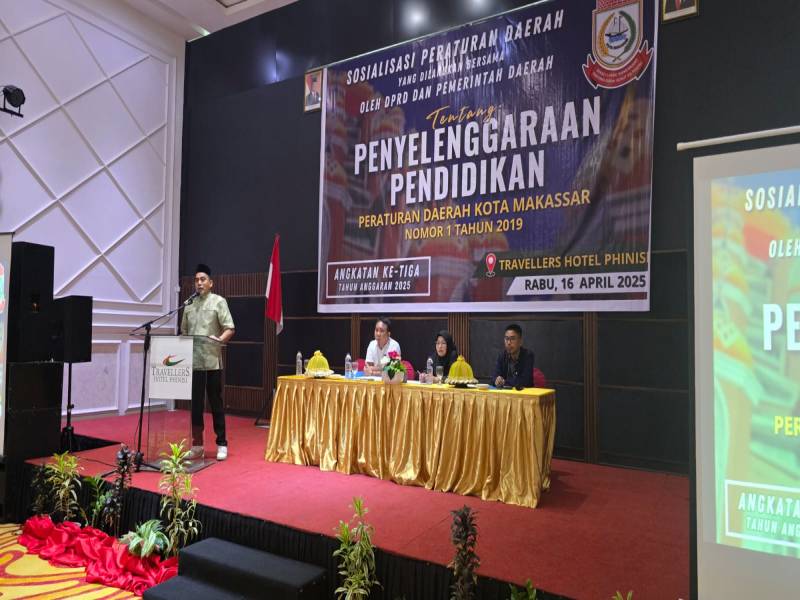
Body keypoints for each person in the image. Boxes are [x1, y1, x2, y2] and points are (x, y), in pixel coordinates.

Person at [180, 264, 235, 461]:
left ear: (211, 283)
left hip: (212, 362)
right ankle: (197, 445)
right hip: (194, 362)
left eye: (203, 279)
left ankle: (221, 443)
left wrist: (219, 340)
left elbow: (229, 328)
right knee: (195, 406)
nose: (199, 283)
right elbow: (184, 332)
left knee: (215, 403)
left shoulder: (219, 302)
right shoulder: (188, 305)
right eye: (196, 280)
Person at [492, 324, 534, 388]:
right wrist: (496, 380)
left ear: (520, 342)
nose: (509, 342)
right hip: (506, 393)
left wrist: (504, 382)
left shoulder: (528, 356)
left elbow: (524, 381)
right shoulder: (502, 356)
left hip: (524, 392)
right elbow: (494, 376)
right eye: (506, 339)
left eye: (512, 339)